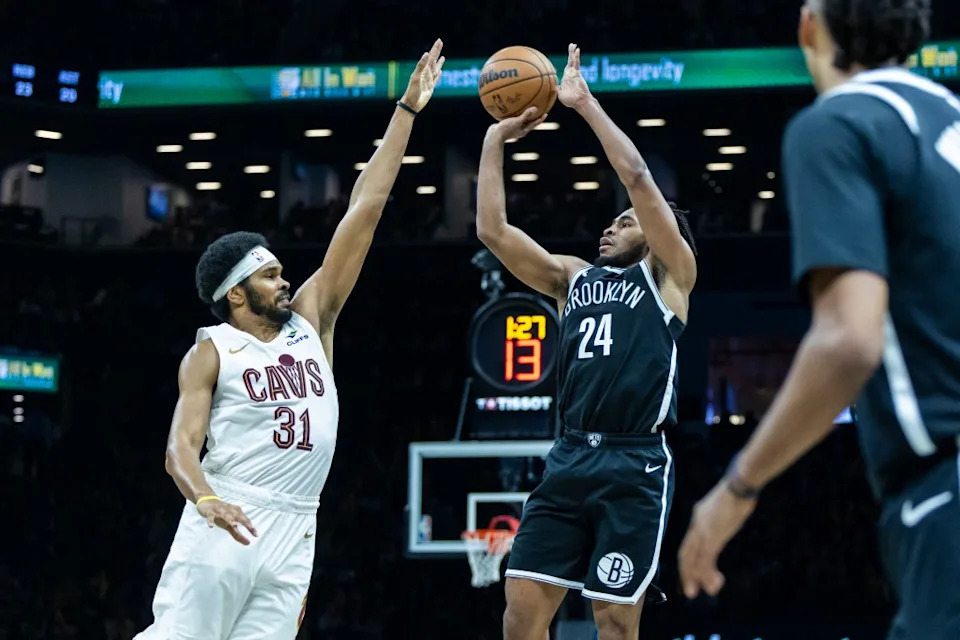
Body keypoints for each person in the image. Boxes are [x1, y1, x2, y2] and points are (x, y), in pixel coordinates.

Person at [135, 40, 444, 640]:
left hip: (299, 526)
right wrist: (205, 502)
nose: (285, 281)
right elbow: (180, 448)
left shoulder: (312, 320)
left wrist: (404, 114)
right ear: (236, 295)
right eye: (270, 275)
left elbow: (366, 208)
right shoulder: (211, 351)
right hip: (227, 513)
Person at [678, 1, 960, 638]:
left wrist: (736, 489)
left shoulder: (840, 123)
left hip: (945, 487)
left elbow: (847, 340)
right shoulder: (948, 118)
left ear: (808, 24)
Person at [477, 44, 698, 640]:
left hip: (634, 462)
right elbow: (492, 231)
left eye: (627, 221)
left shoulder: (670, 277)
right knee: (520, 614)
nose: (613, 223)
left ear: (658, 235)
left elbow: (636, 176)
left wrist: (583, 103)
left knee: (616, 624)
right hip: (571, 454)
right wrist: (494, 141)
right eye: (614, 219)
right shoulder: (572, 277)